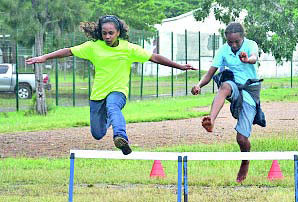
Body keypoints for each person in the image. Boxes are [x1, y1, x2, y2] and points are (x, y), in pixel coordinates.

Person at [26, 15, 197, 155]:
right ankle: (111, 121)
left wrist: (180, 66)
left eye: (111, 33)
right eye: (104, 33)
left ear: (118, 32)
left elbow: (155, 57)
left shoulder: (128, 48)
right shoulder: (93, 47)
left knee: (113, 106)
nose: (107, 36)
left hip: (118, 91)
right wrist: (44, 57)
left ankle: (121, 138)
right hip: (97, 95)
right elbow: (69, 51)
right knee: (98, 133)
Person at [191, 22, 262, 183]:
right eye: (230, 42)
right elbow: (210, 72)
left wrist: (246, 60)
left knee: (241, 139)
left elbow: (254, 58)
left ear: (243, 37)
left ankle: (245, 161)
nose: (234, 45)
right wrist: (199, 85)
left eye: (237, 42)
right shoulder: (223, 50)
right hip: (234, 87)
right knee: (225, 86)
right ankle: (211, 120)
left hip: (250, 89)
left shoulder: (251, 45)